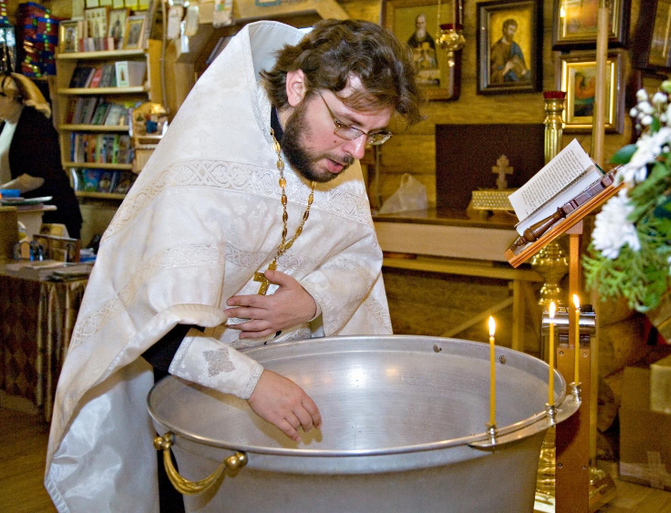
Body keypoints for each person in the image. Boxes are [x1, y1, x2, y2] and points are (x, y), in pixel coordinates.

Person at [45, 19, 422, 512]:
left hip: (295, 381)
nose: (357, 151)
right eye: (347, 124)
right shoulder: (205, 158)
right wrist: (252, 382)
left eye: (374, 134)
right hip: (192, 391)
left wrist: (311, 301)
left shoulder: (334, 157)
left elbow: (358, 257)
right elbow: (148, 323)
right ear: (297, 87)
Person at [0, 73, 82, 239]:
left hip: (50, 214)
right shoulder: (5, 125)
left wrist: (1, 191)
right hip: (20, 212)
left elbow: (36, 177)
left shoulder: (35, 125)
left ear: (10, 97)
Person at [489, 19, 530, 84]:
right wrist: (505, 69)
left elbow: (523, 70)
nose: (512, 33)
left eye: (514, 30)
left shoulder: (516, 47)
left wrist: (522, 70)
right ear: (504, 29)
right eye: (511, 29)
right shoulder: (496, 48)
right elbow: (492, 76)